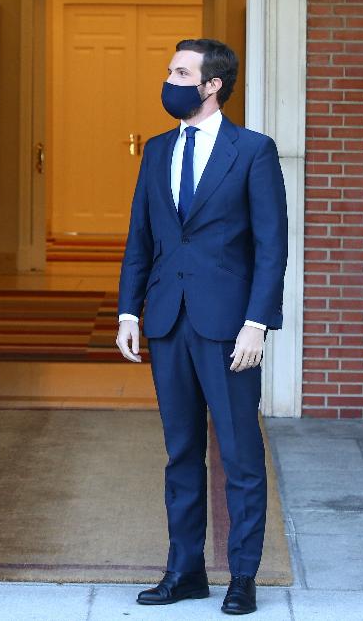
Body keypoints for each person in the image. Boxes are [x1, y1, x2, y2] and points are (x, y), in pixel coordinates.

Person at [115, 39, 288, 616]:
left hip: (229, 326)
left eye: (181, 72)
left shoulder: (253, 152)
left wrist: (257, 324)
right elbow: (140, 237)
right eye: (170, 70)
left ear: (212, 84)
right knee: (180, 451)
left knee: (239, 454)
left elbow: (271, 248)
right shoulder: (158, 149)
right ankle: (185, 570)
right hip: (168, 320)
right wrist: (128, 312)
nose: (170, 79)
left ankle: (242, 576)